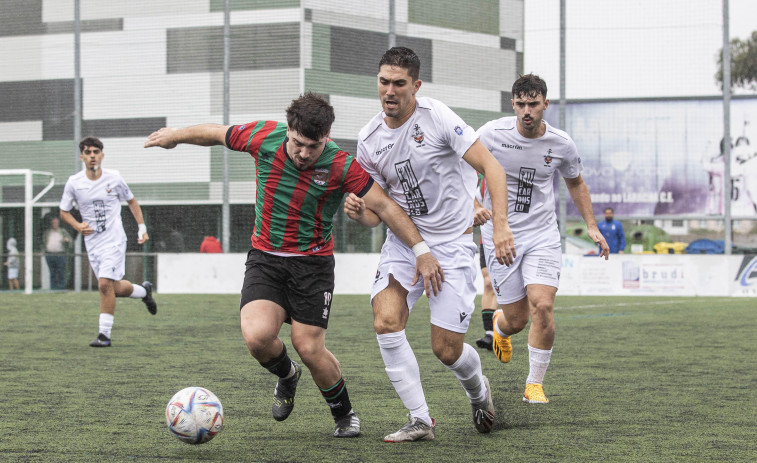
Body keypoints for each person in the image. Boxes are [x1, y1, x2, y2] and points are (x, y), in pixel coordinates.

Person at [144, 92, 443, 439]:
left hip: (312, 267)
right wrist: (175, 136)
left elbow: (387, 208)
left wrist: (421, 250)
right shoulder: (263, 137)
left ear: (327, 138)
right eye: (298, 143)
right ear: (288, 130)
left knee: (309, 347)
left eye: (313, 146)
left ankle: (344, 414)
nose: (304, 153)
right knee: (257, 337)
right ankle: (288, 375)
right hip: (266, 259)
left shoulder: (341, 165)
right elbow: (215, 133)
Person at [344, 47, 514, 442]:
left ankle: (478, 392)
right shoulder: (368, 138)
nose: (389, 90)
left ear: (415, 86)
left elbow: (492, 167)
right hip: (404, 244)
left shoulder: (436, 117)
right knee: (386, 321)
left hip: (452, 246)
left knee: (447, 350)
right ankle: (420, 419)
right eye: (384, 81)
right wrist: (359, 211)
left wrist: (501, 226)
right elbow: (377, 212)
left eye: (399, 83)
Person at [476, 74, 609, 404]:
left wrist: (591, 225)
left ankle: (534, 384)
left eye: (533, 104)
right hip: (499, 235)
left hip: (542, 234)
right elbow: (459, 168)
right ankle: (500, 327)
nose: (526, 111)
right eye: (520, 104)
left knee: (543, 306)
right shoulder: (491, 134)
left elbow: (575, 183)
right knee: (518, 319)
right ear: (513, 104)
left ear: (545, 104)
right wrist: (474, 204)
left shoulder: (562, 143)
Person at [59, 136, 157, 348]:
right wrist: (77, 226)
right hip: (92, 243)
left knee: (104, 284)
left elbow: (131, 201)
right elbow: (63, 211)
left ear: (102, 155)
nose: (92, 156)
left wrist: (142, 228)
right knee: (112, 287)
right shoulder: (74, 183)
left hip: (114, 239)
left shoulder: (114, 179)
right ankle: (143, 291)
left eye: (96, 152)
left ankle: (104, 335)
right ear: (81, 157)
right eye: (88, 152)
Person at [473, 177, 497, 351]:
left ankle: (505, 327)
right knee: (488, 282)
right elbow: (465, 192)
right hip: (488, 236)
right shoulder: (476, 173)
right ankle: (490, 334)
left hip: (518, 234)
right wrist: (477, 208)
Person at [44, 216, 72, 289]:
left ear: (58, 223)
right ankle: (52, 288)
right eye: (53, 223)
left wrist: (67, 241)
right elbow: (44, 242)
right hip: (49, 255)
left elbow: (70, 242)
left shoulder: (62, 232)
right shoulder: (48, 232)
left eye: (56, 222)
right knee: (52, 272)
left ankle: (61, 288)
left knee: (61, 272)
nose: (55, 224)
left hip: (60, 254)